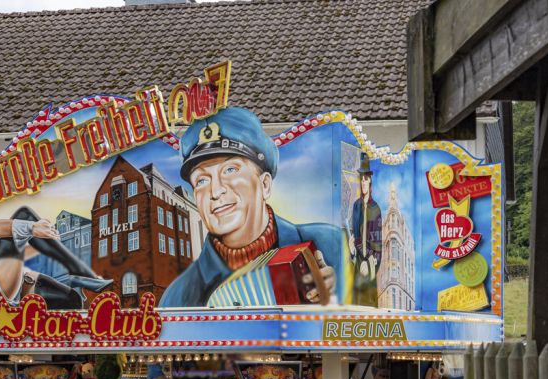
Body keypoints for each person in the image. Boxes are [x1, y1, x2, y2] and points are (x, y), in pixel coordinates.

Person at [158, 107, 349, 308]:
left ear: (264, 184)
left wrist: (336, 299)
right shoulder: (178, 296)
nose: (215, 191)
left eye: (230, 170)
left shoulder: (331, 247)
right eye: (201, 180)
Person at [0, 157, 106, 312]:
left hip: (0, 281)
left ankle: (79, 289)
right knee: (24, 215)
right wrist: (32, 228)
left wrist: (45, 239)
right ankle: (82, 272)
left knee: (70, 299)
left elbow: (3, 254)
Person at [350, 154, 382, 306]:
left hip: (370, 261)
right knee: (357, 301)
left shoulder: (375, 208)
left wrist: (370, 262)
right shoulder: (356, 206)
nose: (363, 183)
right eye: (361, 179)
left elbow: (378, 241)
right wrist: (353, 251)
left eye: (366, 179)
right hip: (358, 262)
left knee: (369, 301)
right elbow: (355, 234)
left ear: (370, 182)